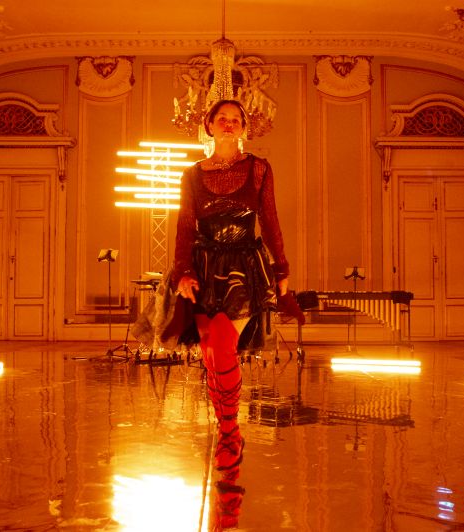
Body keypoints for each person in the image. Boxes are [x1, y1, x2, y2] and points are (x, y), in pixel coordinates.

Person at [173, 98, 290, 494]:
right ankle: (227, 430)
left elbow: (270, 220)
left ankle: (229, 432)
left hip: (243, 265)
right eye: (221, 118)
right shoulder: (192, 174)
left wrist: (281, 268)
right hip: (204, 265)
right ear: (209, 125)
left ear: (243, 127)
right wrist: (182, 270)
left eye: (235, 119)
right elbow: (185, 224)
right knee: (210, 352)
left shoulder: (259, 169)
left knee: (223, 345)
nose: (228, 123)